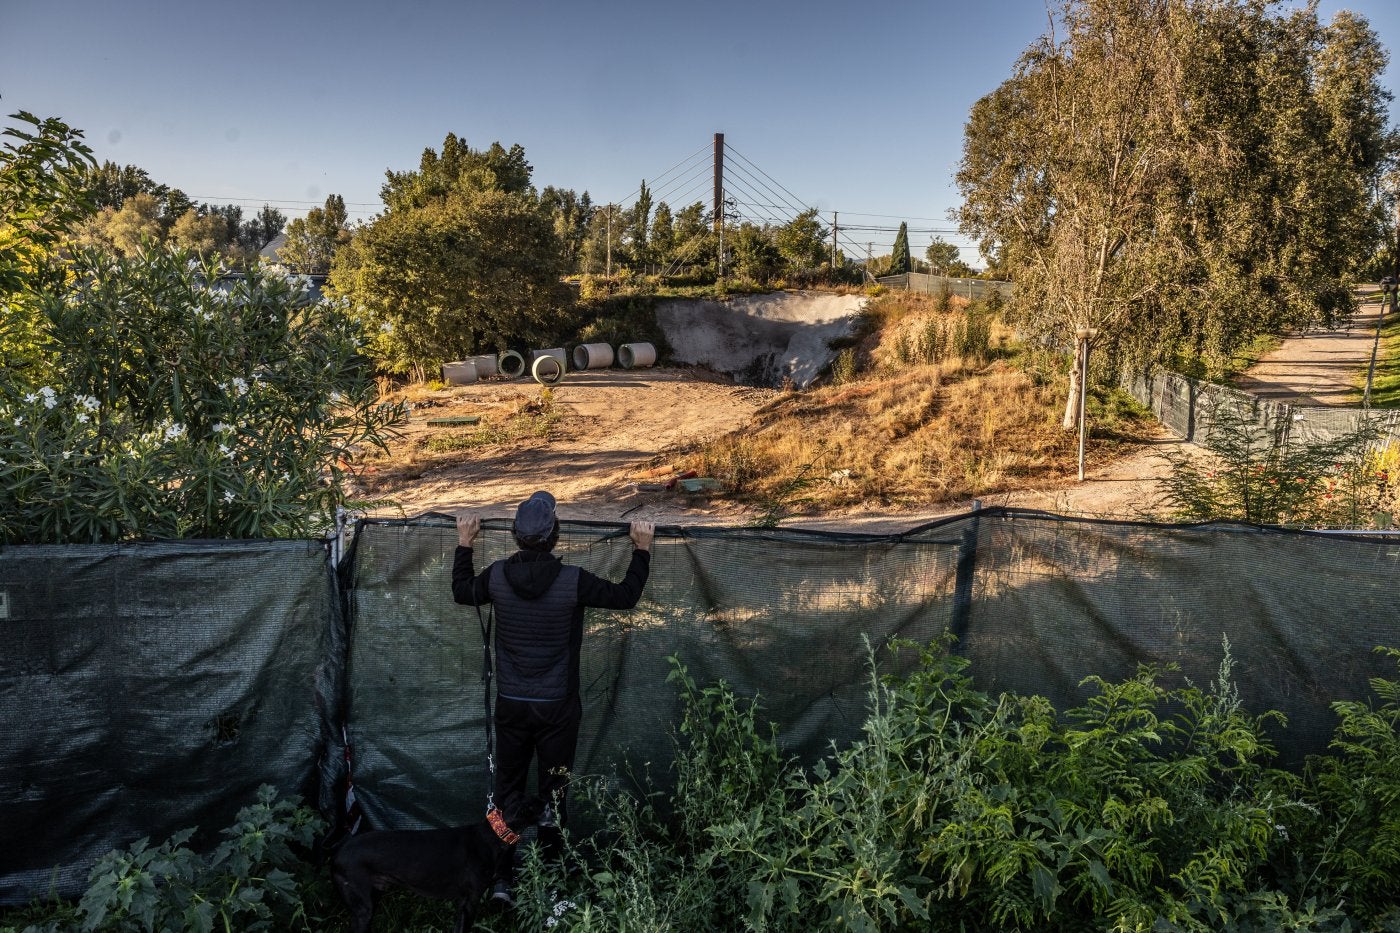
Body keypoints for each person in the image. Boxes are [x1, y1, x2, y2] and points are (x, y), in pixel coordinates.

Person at [452, 491, 654, 899]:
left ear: (514, 536)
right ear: (555, 535)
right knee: (553, 796)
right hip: (558, 709)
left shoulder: (495, 577)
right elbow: (625, 596)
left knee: (507, 794)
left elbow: (462, 590)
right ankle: (553, 883)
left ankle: (503, 881)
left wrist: (464, 542)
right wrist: (643, 549)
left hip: (511, 704)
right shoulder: (573, 580)